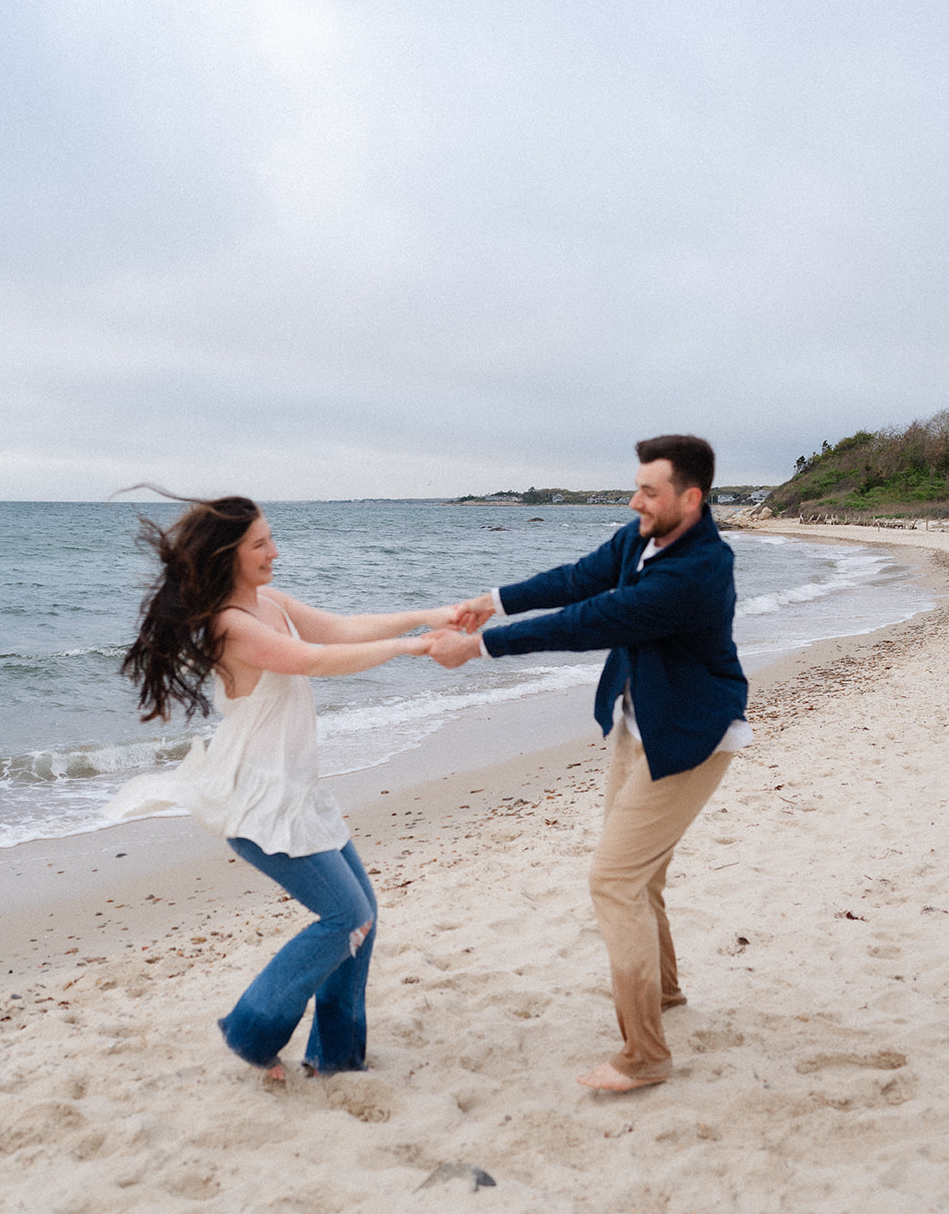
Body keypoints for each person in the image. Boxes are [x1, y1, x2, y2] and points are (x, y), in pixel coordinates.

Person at [427, 435, 750, 1093]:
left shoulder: (697, 570)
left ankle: (645, 1056)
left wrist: (480, 647)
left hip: (688, 736)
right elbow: (579, 578)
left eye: (649, 492)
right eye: (636, 487)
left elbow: (589, 619)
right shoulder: (641, 537)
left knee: (612, 882)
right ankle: (663, 992)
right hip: (639, 724)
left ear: (689, 499)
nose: (635, 500)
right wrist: (496, 598)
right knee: (639, 876)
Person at [106, 496, 456, 1082]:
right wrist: (413, 646)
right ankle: (250, 1032)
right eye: (260, 544)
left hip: (298, 791)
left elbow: (342, 630)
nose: (274, 551)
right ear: (228, 555)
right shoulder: (230, 623)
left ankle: (337, 1057)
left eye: (271, 538)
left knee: (361, 916)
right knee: (346, 916)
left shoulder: (270, 603)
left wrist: (431, 614)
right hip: (258, 797)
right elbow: (312, 659)